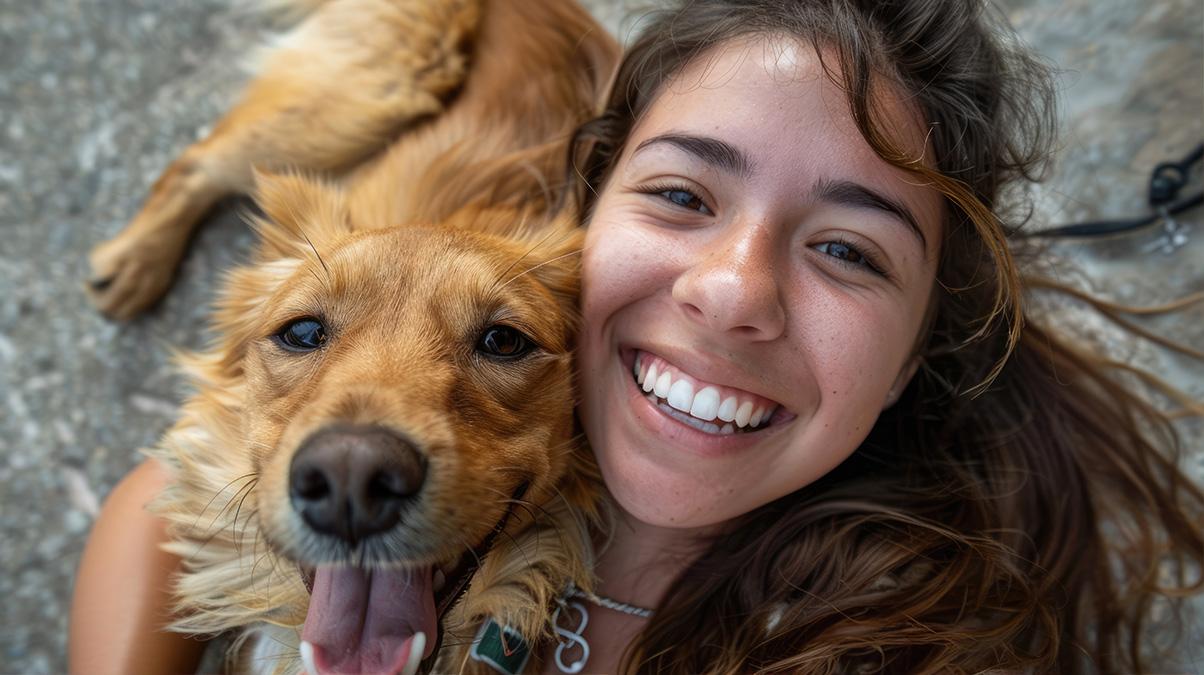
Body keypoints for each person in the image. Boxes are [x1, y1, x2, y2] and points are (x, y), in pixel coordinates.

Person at [71, 0, 1204, 673]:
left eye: (849, 251)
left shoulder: (892, 634)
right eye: (680, 196)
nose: (728, 292)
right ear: (587, 209)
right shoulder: (562, 385)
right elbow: (175, 492)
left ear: (914, 355)